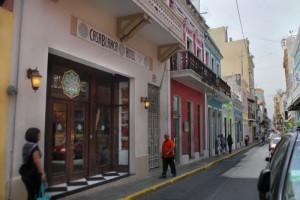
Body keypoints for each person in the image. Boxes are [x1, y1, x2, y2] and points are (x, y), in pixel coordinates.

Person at [21, 127, 47, 200]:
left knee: (31, 194)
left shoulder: (26, 146)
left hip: (25, 173)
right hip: (34, 174)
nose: (40, 137)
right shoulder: (34, 147)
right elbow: (36, 161)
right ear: (34, 136)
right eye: (38, 135)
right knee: (39, 194)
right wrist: (42, 173)